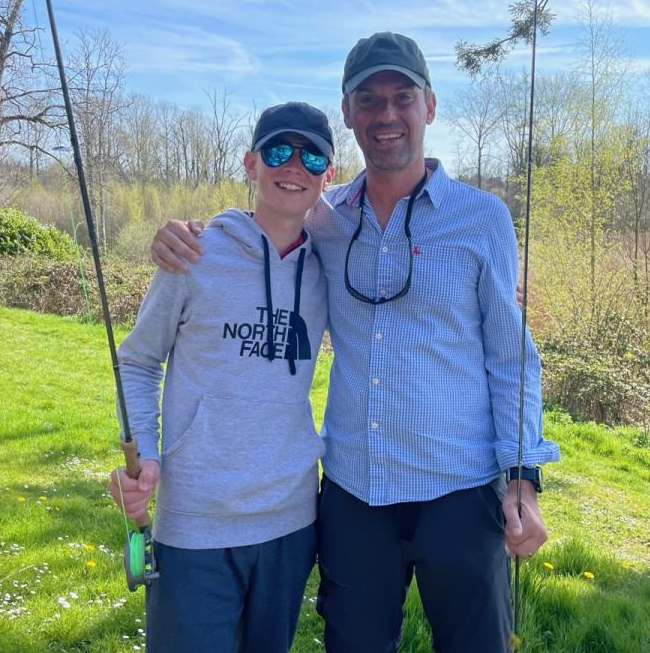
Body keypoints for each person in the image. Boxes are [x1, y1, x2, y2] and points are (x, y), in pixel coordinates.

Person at [151, 32, 559, 653]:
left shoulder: (484, 219)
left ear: (429, 106)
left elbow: (511, 358)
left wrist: (522, 479)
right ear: (348, 113)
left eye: (402, 97)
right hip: (354, 491)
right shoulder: (327, 219)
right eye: (368, 99)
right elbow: (263, 224)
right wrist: (180, 237)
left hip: (459, 485)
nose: (386, 114)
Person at [108, 101, 335, 653]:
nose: (294, 166)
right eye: (279, 150)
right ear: (250, 164)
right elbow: (137, 360)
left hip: (291, 522)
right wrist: (148, 455)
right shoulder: (194, 252)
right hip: (195, 522)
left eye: (313, 157)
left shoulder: (332, 265)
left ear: (329, 176)